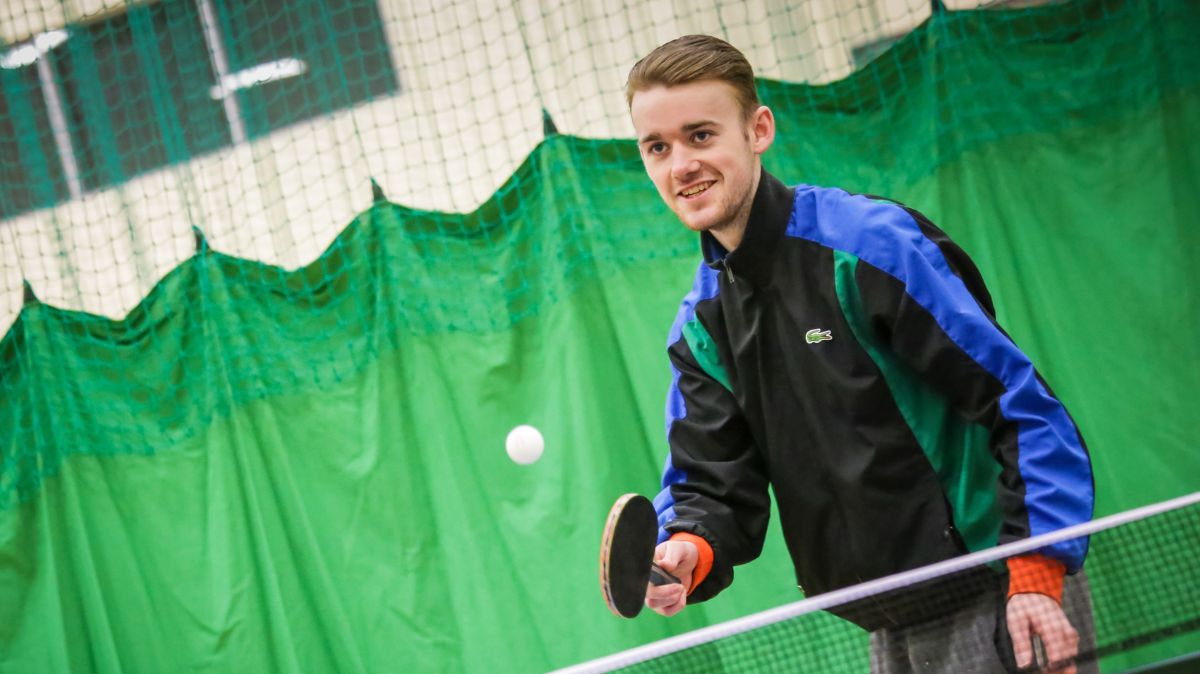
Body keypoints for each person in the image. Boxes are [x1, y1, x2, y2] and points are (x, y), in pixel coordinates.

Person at [626, 35, 1096, 673]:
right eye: (658, 147)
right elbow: (710, 480)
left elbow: (1016, 402)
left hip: (995, 588)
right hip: (884, 616)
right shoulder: (699, 326)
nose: (680, 165)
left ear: (758, 129)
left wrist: (1037, 571)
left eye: (701, 135)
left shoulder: (868, 248)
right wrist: (689, 547)